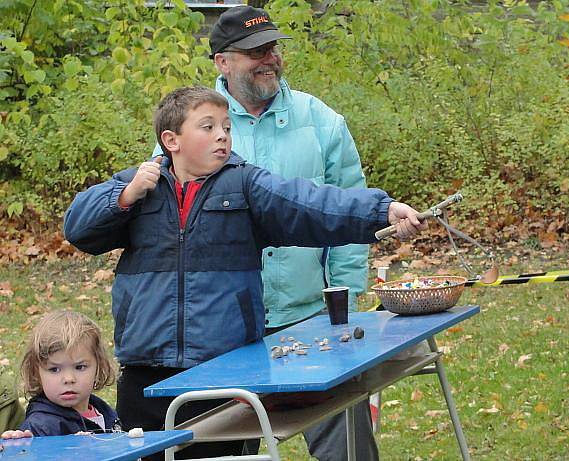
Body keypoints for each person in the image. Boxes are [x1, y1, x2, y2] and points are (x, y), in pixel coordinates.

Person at [65, 86, 425, 460]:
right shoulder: (141, 186)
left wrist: (381, 211)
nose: (222, 135)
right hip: (145, 369)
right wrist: (125, 195)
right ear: (170, 140)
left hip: (223, 368)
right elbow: (78, 228)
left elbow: (312, 205)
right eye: (207, 127)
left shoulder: (245, 184)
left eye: (226, 126)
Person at [209, 6, 378, 460]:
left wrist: (344, 299)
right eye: (254, 51)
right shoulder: (195, 124)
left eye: (273, 47)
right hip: (226, 324)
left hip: (310, 315)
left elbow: (351, 212)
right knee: (226, 449)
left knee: (348, 447)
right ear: (222, 62)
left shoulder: (320, 119)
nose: (269, 58)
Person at [1, 310, 119, 439]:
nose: (69, 379)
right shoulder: (40, 428)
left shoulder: (104, 411)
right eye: (54, 369)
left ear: (99, 366)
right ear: (36, 373)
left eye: (80, 367)